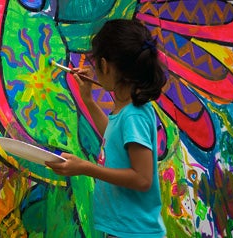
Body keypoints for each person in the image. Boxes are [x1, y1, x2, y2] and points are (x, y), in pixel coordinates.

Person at [45, 19, 167, 237]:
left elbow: (142, 179)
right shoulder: (129, 108)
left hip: (132, 232)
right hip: (124, 229)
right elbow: (113, 141)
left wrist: (86, 168)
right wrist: (89, 101)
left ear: (105, 65)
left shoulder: (134, 115)